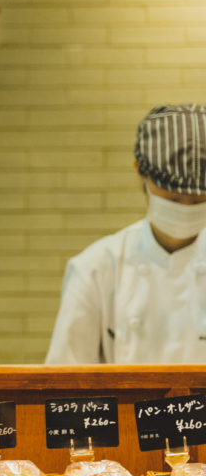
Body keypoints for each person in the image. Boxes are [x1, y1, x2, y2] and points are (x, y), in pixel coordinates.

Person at [45, 104, 206, 364]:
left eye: (198, 199)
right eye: (174, 197)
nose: (185, 207)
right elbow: (66, 379)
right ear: (139, 173)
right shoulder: (96, 267)